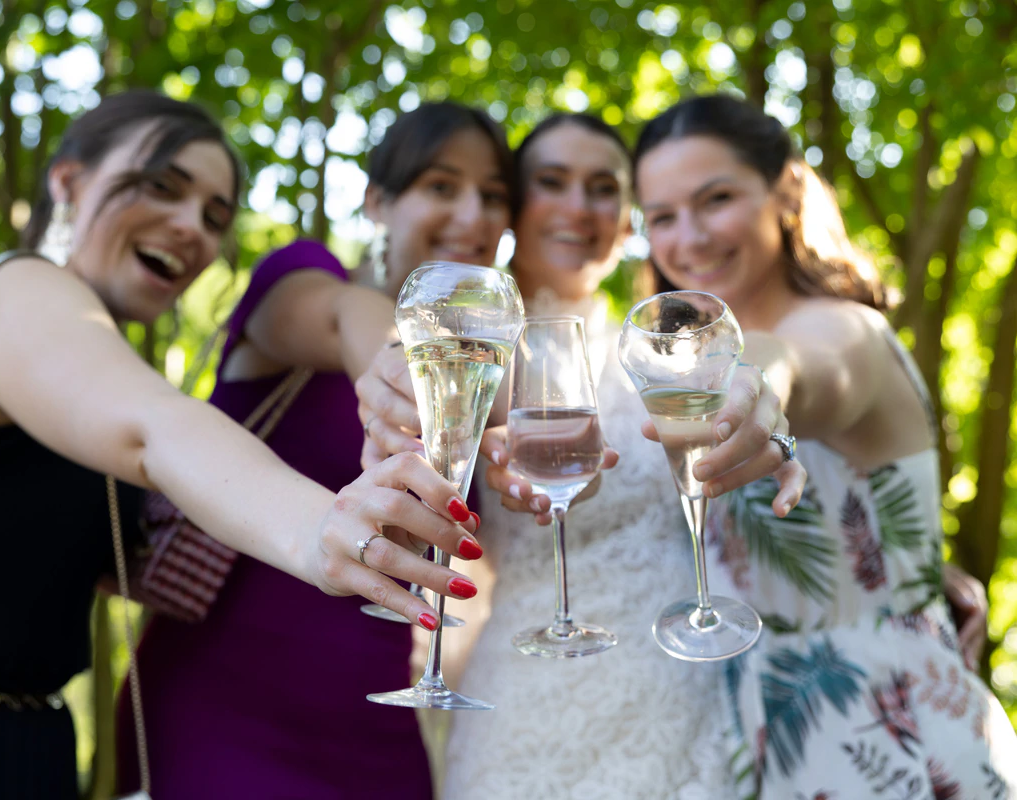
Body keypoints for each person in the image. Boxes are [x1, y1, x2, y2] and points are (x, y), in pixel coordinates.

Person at [0, 90, 483, 800]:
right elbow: (154, 427)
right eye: (162, 187)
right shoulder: (15, 288)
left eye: (215, 216)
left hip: (26, 753)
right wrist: (321, 526)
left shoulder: (96, 364)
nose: (191, 226)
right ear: (68, 182)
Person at [356, 111, 803, 799]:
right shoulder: (476, 349)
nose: (577, 207)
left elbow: (777, 388)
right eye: (552, 182)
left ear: (627, 220)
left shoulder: (665, 348)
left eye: (601, 188)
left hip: (683, 697)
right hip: (526, 704)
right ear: (515, 208)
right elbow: (431, 422)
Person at [116, 101, 514, 799]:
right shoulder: (302, 278)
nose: (474, 215)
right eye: (442, 186)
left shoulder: (482, 370)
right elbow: (342, 315)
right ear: (378, 202)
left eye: (494, 196)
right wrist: (396, 364)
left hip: (384, 726)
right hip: (225, 716)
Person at [631, 93, 1016, 798]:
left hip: (893, 739)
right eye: (661, 217)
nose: (688, 236)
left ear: (785, 190)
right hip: (770, 735)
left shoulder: (845, 332)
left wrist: (764, 382)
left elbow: (806, 369)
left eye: (715, 198)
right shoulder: (677, 372)